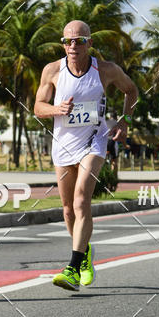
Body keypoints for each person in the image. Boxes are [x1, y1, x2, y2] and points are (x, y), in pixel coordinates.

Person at [34, 20, 139, 291]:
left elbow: (131, 90)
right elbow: (38, 107)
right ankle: (85, 255)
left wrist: (125, 121)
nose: (72, 46)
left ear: (89, 43)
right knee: (68, 209)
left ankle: (71, 266)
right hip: (63, 145)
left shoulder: (105, 70)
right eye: (67, 41)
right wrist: (56, 110)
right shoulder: (53, 70)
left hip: (95, 141)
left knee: (82, 200)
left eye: (78, 41)